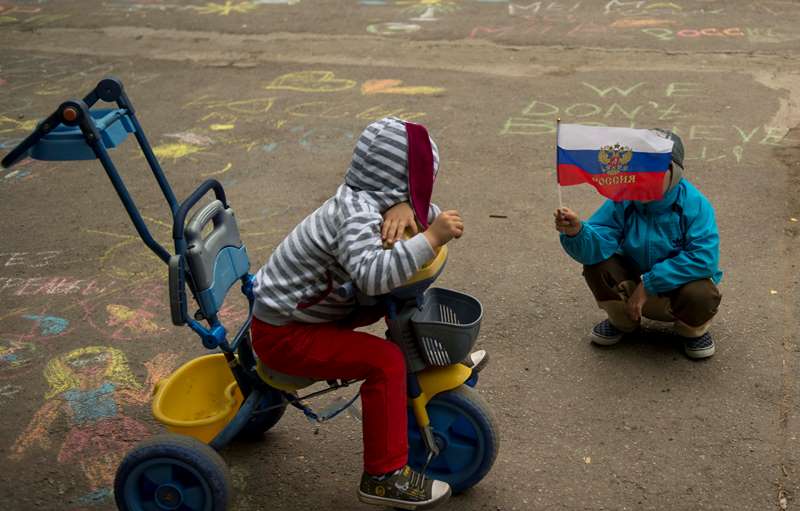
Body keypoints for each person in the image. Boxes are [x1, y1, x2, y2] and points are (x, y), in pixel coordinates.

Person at [250, 117, 463, 508]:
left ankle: (418, 365)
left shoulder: (369, 196)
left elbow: (416, 207)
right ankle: (383, 476)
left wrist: (407, 205)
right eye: (413, 185)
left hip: (311, 311)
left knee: (391, 302)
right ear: (394, 181)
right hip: (285, 333)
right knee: (384, 360)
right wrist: (430, 237)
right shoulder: (355, 216)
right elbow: (371, 277)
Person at [554, 131, 722, 359]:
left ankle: (691, 331)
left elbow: (704, 258)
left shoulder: (696, 205)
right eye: (638, 169)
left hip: (675, 292)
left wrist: (649, 284)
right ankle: (623, 323)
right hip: (632, 282)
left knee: (701, 293)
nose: (644, 178)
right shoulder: (624, 199)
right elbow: (598, 244)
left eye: (654, 170)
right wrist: (576, 232)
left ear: (675, 172)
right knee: (597, 266)